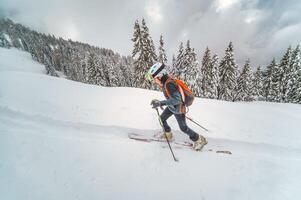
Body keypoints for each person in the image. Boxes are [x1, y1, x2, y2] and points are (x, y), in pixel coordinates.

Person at [146, 62, 207, 150]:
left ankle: (199, 139)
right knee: (161, 119)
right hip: (172, 107)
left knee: (183, 128)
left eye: (154, 79)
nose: (154, 81)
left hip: (178, 109)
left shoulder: (169, 84)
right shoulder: (165, 82)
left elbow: (177, 100)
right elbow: (171, 97)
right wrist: (160, 102)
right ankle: (168, 135)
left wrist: (161, 103)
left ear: (159, 76)